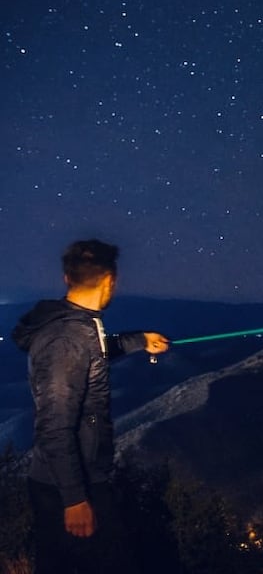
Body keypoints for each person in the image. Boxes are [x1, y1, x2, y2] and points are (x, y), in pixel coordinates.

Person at [11, 239, 170, 573]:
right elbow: (54, 425)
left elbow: (92, 350)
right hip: (68, 486)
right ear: (111, 281)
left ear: (67, 279)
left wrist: (140, 340)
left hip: (72, 479)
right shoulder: (66, 339)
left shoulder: (75, 325)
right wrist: (74, 499)